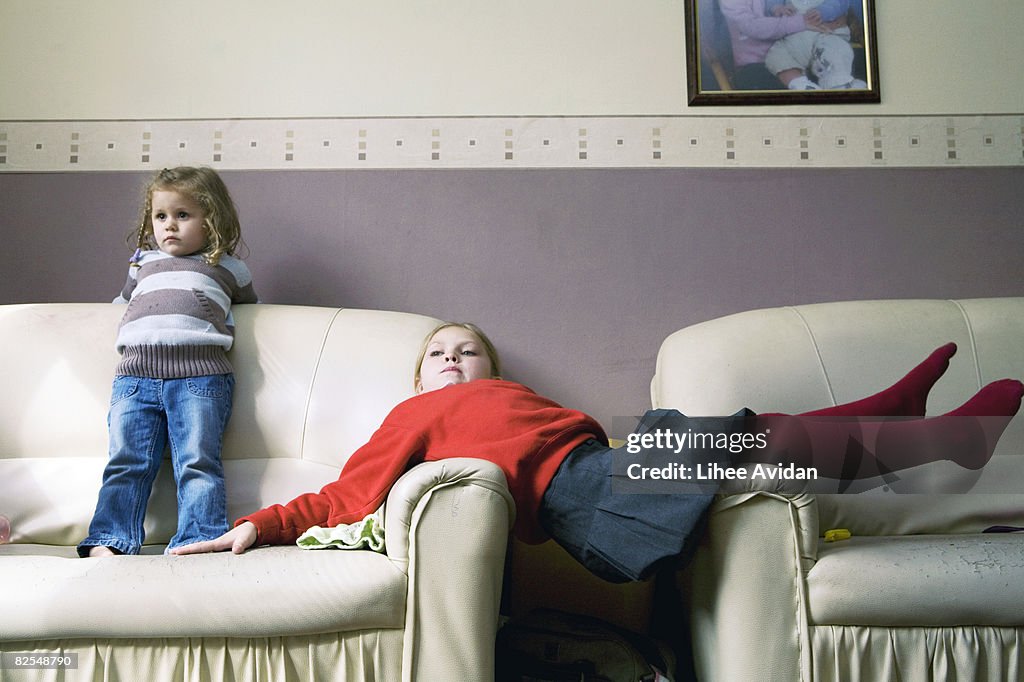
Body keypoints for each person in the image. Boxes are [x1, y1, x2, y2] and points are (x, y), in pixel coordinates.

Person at [172, 324, 1023, 583]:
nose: (455, 361)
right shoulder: (414, 416)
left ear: (497, 368)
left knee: (747, 440)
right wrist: (259, 524)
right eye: (439, 354)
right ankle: (931, 433)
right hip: (584, 496)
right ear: (418, 377)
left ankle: (907, 424)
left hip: (605, 463)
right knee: (736, 437)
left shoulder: (512, 398)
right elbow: (345, 497)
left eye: (470, 352)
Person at [78, 167, 258, 558]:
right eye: (161, 216)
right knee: (126, 461)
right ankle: (109, 539)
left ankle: (199, 537)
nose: (169, 226)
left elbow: (250, 308)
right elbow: (122, 303)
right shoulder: (142, 263)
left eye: (183, 215)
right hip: (135, 377)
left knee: (197, 460)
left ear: (212, 221)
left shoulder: (227, 266)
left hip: (200, 378)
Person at [718, 0, 833, 90]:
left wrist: (826, 15)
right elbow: (751, 26)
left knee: (828, 71)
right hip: (756, 62)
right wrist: (801, 22)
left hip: (793, 52)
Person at [763, 0, 867, 90]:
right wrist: (777, 8)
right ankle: (800, 84)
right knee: (776, 56)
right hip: (794, 37)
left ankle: (839, 83)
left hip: (826, 32)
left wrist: (824, 11)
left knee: (835, 51)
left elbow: (841, 2)